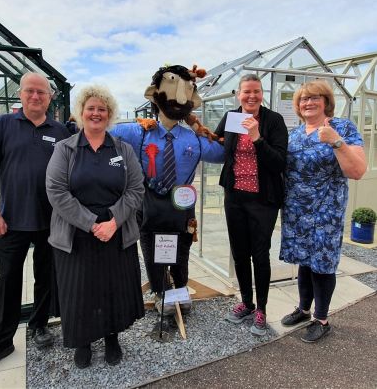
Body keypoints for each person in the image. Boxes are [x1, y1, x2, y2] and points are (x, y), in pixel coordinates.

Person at [110, 64, 224, 316]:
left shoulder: (194, 139)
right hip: (149, 204)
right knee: (152, 251)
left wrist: (245, 136)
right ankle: (162, 292)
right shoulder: (137, 133)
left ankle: (180, 288)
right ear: (155, 94)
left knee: (181, 251)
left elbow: (223, 153)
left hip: (182, 205)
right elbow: (102, 133)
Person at [46, 85, 145, 369]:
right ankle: (83, 342)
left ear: (110, 114)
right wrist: (92, 224)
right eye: (91, 108)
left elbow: (136, 189)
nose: (96, 113)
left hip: (116, 230)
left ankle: (112, 338)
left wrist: (113, 221)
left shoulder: (122, 149)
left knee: (113, 287)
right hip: (76, 233)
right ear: (81, 113)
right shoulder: (65, 149)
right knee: (79, 290)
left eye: (102, 109)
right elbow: (56, 191)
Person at [0, 72, 70, 375]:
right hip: (10, 221)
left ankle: (39, 325)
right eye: (30, 91)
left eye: (41, 92)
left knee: (46, 277)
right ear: (21, 94)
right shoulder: (2, 125)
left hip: (50, 222)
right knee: (8, 280)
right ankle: (2, 341)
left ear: (50, 97)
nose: (35, 96)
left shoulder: (59, 131)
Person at [279, 80, 366, 342]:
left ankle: (322, 318)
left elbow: (358, 171)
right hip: (296, 210)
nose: (308, 103)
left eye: (315, 97)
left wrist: (336, 142)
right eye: (304, 99)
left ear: (326, 101)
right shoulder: (294, 134)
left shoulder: (342, 128)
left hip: (325, 212)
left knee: (323, 265)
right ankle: (304, 309)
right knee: (305, 261)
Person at [215, 74, 288, 336]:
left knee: (259, 254)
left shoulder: (274, 120)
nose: (252, 96)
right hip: (234, 196)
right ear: (239, 94)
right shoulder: (232, 118)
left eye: (256, 91)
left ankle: (262, 309)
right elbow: (214, 142)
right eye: (247, 92)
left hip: (263, 199)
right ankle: (246, 302)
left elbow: (280, 161)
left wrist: (257, 138)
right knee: (240, 251)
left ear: (262, 94)